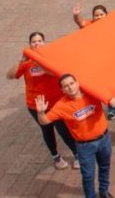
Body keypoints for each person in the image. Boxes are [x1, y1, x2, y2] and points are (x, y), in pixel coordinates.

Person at [35, 74, 115, 198]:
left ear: (77, 83)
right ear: (63, 90)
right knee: (88, 175)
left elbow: (112, 91)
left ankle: (104, 191)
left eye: (71, 83)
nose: (70, 87)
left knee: (105, 166)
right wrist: (40, 112)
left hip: (104, 139)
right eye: (66, 86)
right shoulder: (61, 106)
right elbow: (44, 121)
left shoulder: (92, 93)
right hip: (85, 146)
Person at [7, 32, 78, 171]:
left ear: (45, 43)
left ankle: (76, 154)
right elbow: (9, 75)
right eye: (34, 42)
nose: (37, 43)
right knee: (47, 130)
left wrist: (40, 61)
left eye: (40, 41)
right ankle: (56, 156)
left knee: (63, 129)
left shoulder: (51, 58)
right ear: (30, 45)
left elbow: (56, 73)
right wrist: (22, 61)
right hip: (36, 104)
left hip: (56, 103)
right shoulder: (26, 63)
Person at [72, 4, 115, 120]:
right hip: (100, 63)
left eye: (101, 14)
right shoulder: (91, 25)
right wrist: (76, 14)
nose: (98, 17)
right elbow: (80, 22)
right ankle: (112, 109)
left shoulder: (113, 25)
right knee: (107, 86)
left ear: (106, 15)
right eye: (96, 15)